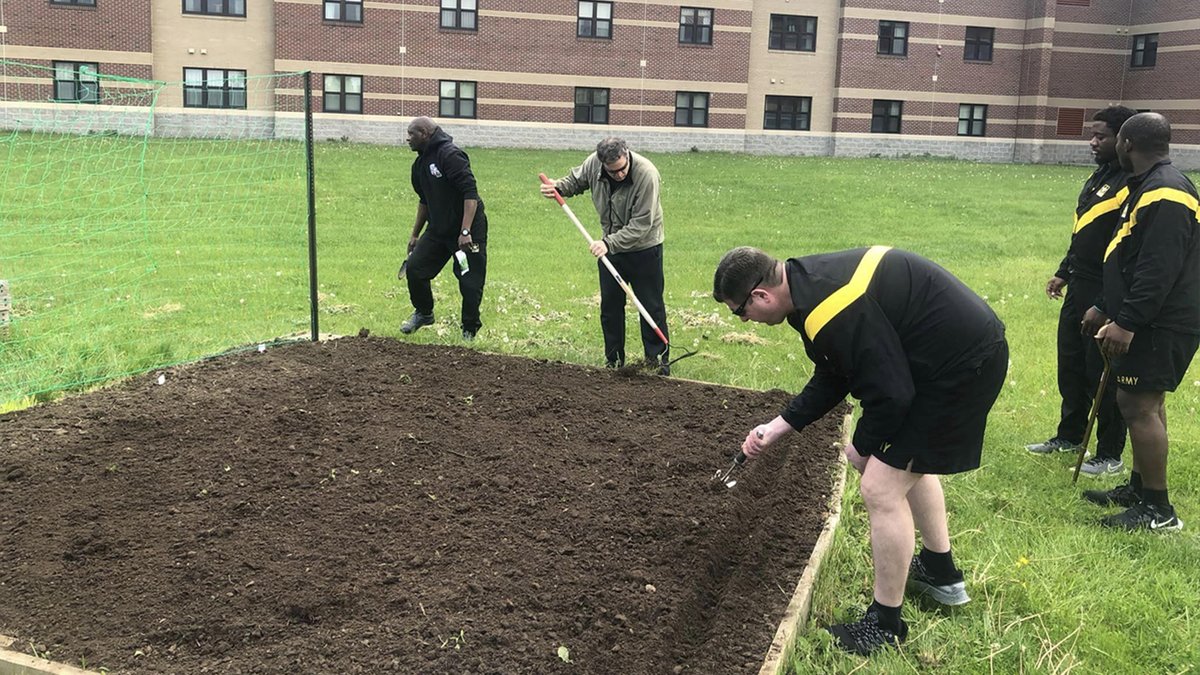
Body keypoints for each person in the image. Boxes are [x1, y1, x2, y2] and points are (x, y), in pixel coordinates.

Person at [713, 245, 1007, 656]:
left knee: (880, 487)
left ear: (760, 296)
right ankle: (941, 573)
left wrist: (864, 445)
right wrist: (776, 427)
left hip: (959, 367)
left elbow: (891, 393)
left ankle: (885, 625)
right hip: (945, 357)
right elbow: (836, 372)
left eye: (739, 312)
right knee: (908, 461)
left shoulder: (828, 306)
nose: (744, 320)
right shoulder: (804, 285)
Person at [1081, 112, 1199, 532]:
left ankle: (1158, 510)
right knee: (1147, 402)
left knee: (1138, 404)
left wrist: (1126, 322)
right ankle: (1139, 486)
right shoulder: (1149, 186)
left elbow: (1157, 269)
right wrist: (1103, 304)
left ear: (1127, 143)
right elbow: (1128, 256)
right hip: (1150, 318)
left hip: (1160, 322)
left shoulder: (1166, 193)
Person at [1026, 106, 1135, 476]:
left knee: (1100, 372)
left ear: (1123, 140)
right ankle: (1069, 434)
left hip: (1105, 292)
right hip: (1080, 284)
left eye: (1101, 136)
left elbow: (1124, 251)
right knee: (1071, 365)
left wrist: (1105, 303)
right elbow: (1084, 234)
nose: (1092, 142)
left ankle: (1109, 452)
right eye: (1093, 134)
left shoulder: (1131, 184)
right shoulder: (1100, 176)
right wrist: (1063, 272)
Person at [540, 137, 670, 374]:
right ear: (602, 164)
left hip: (644, 249)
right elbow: (575, 181)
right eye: (612, 172)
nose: (619, 175)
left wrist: (609, 243)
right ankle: (614, 361)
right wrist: (557, 187)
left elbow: (642, 224)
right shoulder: (594, 164)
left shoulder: (646, 174)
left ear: (627, 155)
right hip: (609, 247)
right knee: (610, 307)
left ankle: (657, 362)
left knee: (650, 305)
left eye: (622, 169)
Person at [400, 116, 488, 341]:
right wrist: (415, 234)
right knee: (415, 268)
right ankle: (424, 313)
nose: (407, 138)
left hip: (467, 232)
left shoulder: (450, 155)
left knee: (469, 281)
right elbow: (424, 201)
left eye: (412, 134)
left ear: (426, 134)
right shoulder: (419, 165)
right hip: (439, 230)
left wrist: (466, 231)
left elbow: (471, 194)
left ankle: (469, 329)